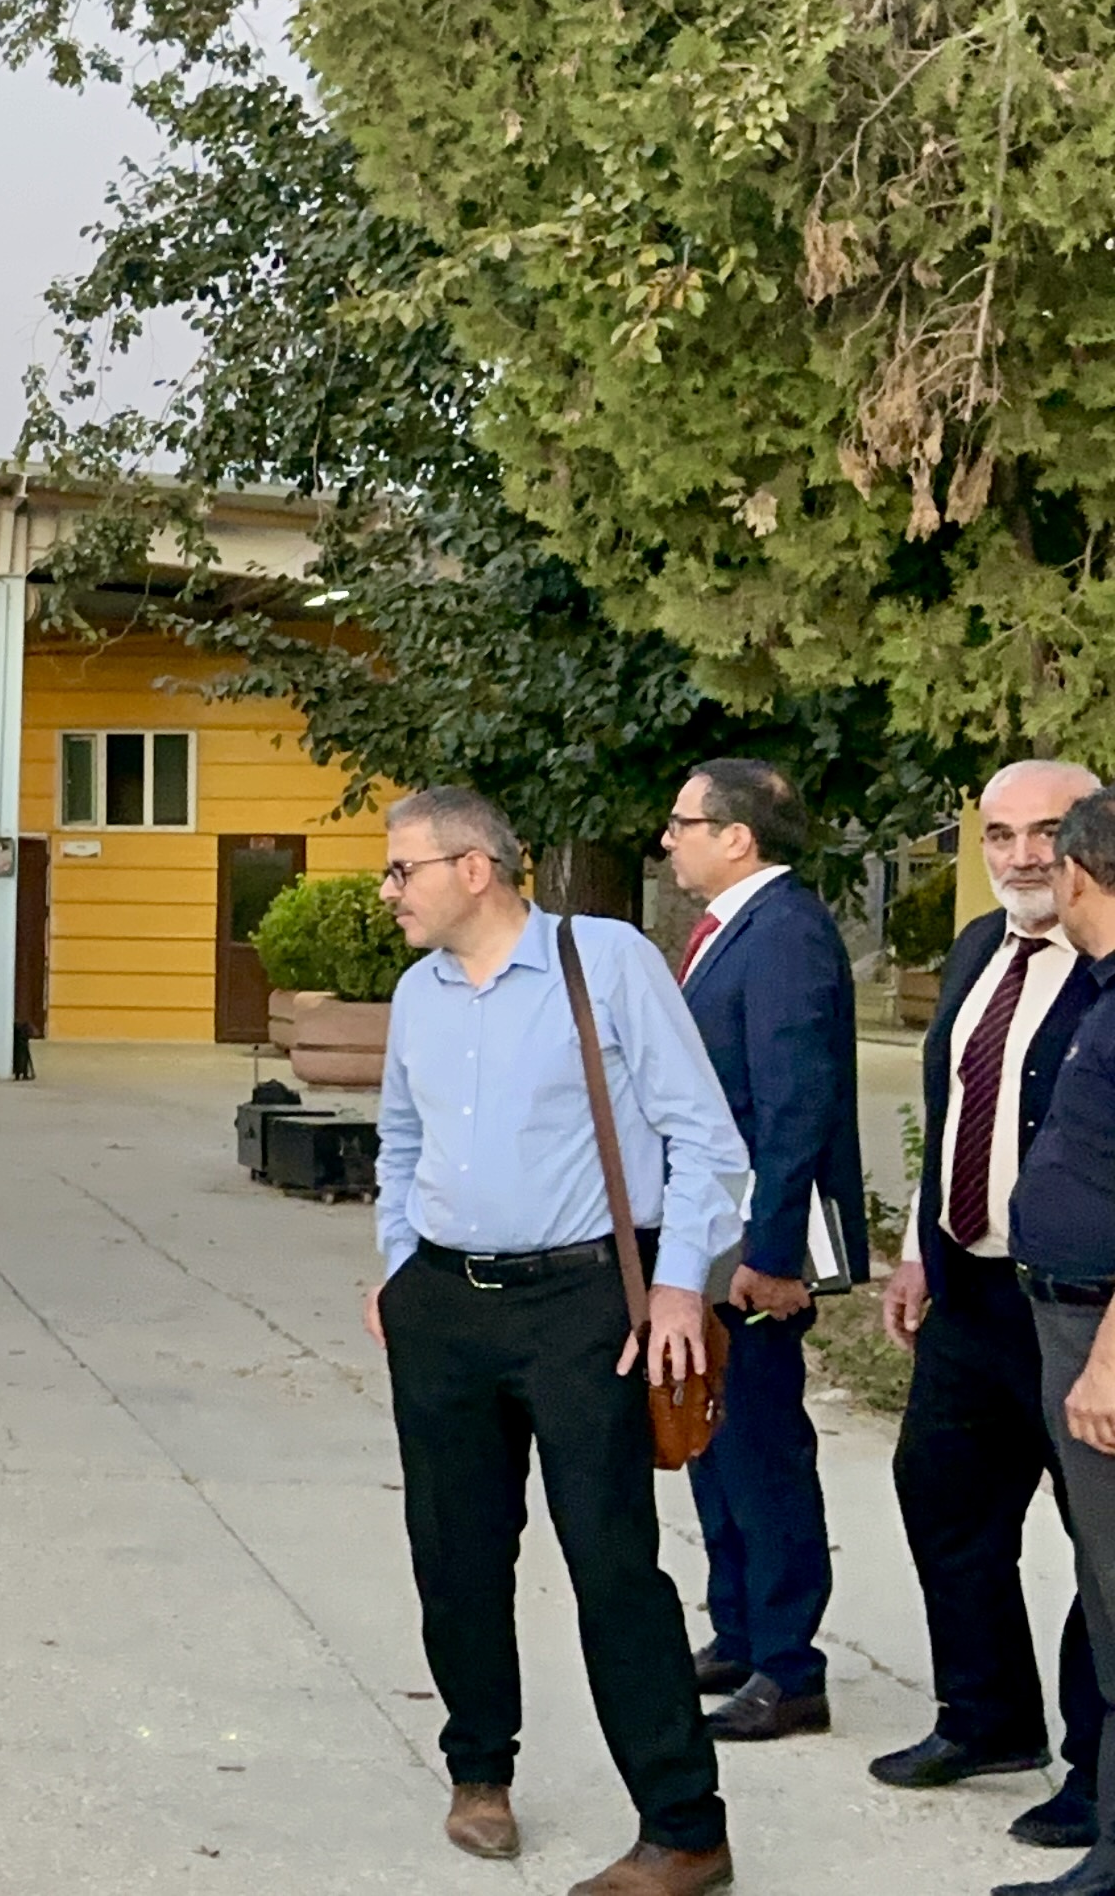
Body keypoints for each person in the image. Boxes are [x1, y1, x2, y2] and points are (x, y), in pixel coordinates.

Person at [364, 786, 743, 1896]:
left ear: (474, 869)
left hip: (586, 1308)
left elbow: (703, 1139)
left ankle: (685, 1830)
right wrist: (399, 1265)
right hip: (442, 1306)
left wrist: (679, 1289)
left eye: (402, 870)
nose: (387, 891)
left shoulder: (605, 961)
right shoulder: (418, 993)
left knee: (612, 1563)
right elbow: (398, 1141)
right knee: (454, 1553)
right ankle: (478, 1772)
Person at [877, 759, 1107, 1850]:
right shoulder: (977, 950)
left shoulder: (1106, 970)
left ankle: (1097, 1771)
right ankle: (986, 1716)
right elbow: (952, 1110)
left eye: (1046, 831)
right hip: (969, 1287)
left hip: (1074, 1305)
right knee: (941, 1495)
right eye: (1000, 834)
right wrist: (918, 1251)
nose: (1023, 856)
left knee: (1097, 1539)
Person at [658, 758, 855, 1742]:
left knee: (763, 1447)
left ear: (737, 837)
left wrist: (771, 1254)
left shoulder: (783, 934)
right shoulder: (732, 929)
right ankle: (737, 1630)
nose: (667, 839)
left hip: (753, 1243)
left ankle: (789, 1665)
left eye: (682, 822)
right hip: (710, 1231)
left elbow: (794, 1103)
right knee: (715, 1438)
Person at [1005, 787, 1115, 1896]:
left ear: (1078, 875)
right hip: (1061, 1313)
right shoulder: (1100, 991)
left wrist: (1109, 1359)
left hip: (1099, 1328)